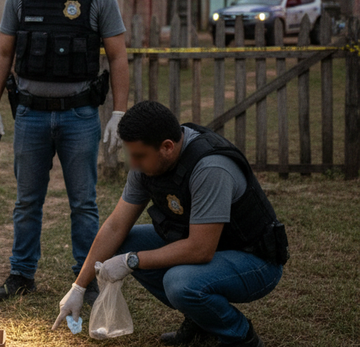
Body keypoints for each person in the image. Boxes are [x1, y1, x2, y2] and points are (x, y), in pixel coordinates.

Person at [53, 101, 289, 347]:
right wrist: (78, 287)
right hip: (215, 248)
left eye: (139, 156)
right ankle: (201, 320)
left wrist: (131, 260)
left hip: (255, 260)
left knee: (179, 282)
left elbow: (200, 249)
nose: (133, 164)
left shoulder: (210, 168)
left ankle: (241, 337)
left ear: (167, 147)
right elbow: (115, 227)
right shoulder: (148, 158)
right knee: (125, 241)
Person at [0, 0, 129, 304]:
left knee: (84, 202)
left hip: (79, 115)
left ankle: (88, 275)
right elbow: (3, 53)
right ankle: (21, 273)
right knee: (27, 200)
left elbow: (117, 56)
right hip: (30, 114)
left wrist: (119, 112)